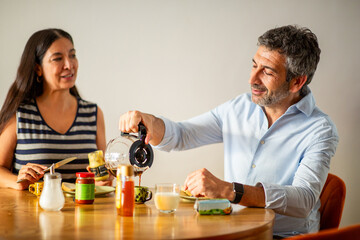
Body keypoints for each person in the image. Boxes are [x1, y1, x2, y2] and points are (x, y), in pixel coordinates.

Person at [119, 25, 339, 237]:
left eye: (267, 72)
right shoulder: (238, 108)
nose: (252, 79)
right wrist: (150, 121)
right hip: (233, 229)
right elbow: (182, 134)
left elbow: (304, 199)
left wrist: (231, 190)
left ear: (297, 82)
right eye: (254, 66)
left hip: (283, 236)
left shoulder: (320, 129)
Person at [0, 28, 110, 190]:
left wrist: (103, 180)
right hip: (31, 214)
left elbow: (103, 172)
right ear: (38, 68)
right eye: (57, 58)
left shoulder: (93, 114)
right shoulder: (20, 114)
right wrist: (18, 182)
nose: (69, 65)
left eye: (72, 55)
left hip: (84, 213)